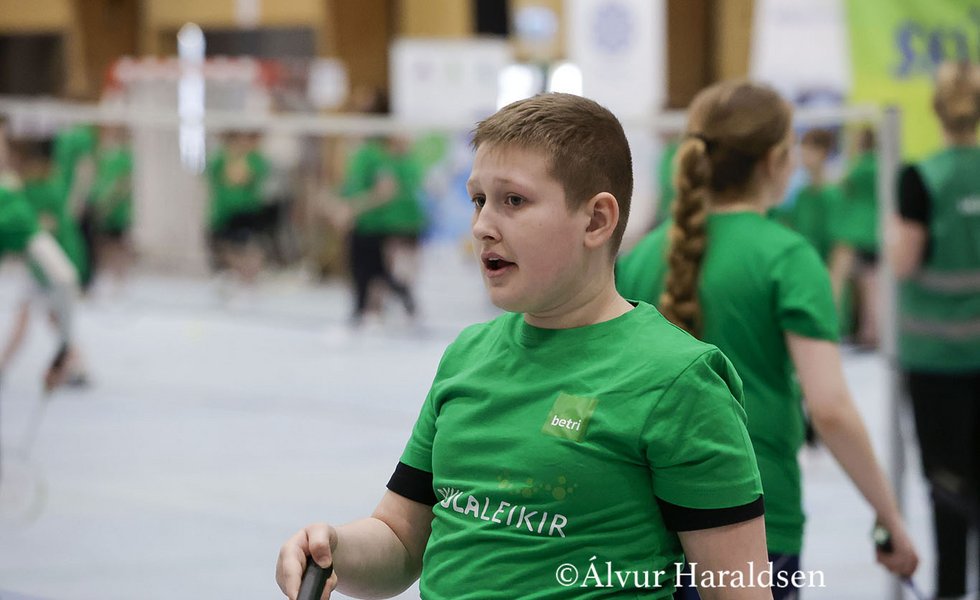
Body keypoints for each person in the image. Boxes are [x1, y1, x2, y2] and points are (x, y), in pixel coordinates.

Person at [278, 93, 774, 600]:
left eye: (513, 201)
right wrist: (335, 548)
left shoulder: (679, 380)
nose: (482, 226)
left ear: (596, 220)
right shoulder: (467, 357)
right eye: (478, 200)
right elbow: (402, 540)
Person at [616, 81, 918, 599]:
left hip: (650, 522)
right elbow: (829, 408)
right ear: (777, 160)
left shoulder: (642, 257)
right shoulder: (787, 257)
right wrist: (889, 514)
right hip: (755, 519)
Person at [890, 60, 980, 600]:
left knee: (948, 485)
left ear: (937, 110)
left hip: (935, 360)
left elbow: (903, 262)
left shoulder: (921, 178)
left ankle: (949, 589)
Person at [829, 128, 880, 347]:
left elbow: (843, 185)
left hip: (854, 231)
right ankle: (870, 333)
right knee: (871, 286)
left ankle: (831, 327)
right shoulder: (882, 166)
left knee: (837, 282)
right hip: (875, 232)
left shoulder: (861, 167)